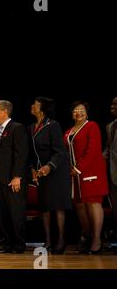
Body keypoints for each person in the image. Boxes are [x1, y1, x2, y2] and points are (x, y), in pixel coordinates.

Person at [28, 97, 71, 254]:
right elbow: (31, 153)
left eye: (35, 103)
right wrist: (33, 169)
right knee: (44, 207)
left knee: (58, 207)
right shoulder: (31, 127)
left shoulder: (53, 125)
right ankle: (48, 241)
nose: (32, 105)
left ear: (43, 107)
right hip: (41, 173)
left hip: (56, 171)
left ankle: (61, 241)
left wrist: (49, 166)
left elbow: (60, 151)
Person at [64, 101, 108, 254]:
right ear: (72, 114)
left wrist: (78, 168)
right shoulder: (69, 131)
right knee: (80, 204)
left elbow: (93, 150)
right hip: (74, 175)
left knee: (92, 203)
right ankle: (87, 234)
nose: (79, 112)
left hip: (91, 171)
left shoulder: (92, 126)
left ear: (87, 113)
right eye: (75, 110)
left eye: (82, 110)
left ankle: (97, 239)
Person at [0, 100, 28, 253]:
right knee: (2, 214)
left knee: (15, 213)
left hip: (13, 180)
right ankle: (8, 242)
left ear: (4, 112)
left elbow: (21, 154)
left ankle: (19, 244)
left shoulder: (17, 128)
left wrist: (17, 176)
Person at [103, 96, 117, 253]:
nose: (112, 106)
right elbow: (108, 148)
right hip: (113, 174)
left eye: (116, 104)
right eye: (112, 103)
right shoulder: (110, 126)